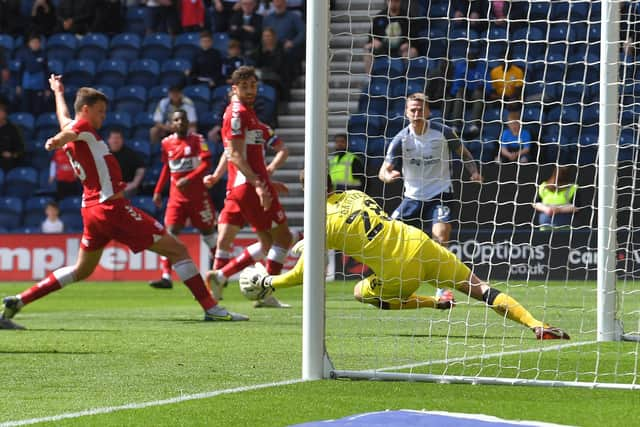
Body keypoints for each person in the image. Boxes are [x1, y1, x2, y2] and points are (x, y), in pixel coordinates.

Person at [0, 75, 247, 330]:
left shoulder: (76, 127)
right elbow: (67, 132)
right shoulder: (83, 129)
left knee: (81, 270)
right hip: (112, 208)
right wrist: (55, 141)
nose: (103, 117)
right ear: (86, 110)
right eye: (100, 111)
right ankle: (212, 308)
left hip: (91, 210)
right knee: (178, 250)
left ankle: (18, 301)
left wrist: (58, 91)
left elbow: (64, 118)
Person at [239, 174, 570, 340]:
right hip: (419, 241)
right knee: (481, 289)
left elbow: (303, 276)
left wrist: (271, 282)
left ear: (308, 192)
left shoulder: (320, 223)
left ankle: (432, 303)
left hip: (399, 270)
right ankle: (536, 324)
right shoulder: (356, 193)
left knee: (360, 292)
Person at [204, 66, 292, 308]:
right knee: (283, 238)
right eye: (244, 87)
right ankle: (259, 290)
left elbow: (242, 153)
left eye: (253, 86)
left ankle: (223, 277)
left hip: (248, 185)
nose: (250, 90)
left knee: (268, 242)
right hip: (249, 186)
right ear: (234, 89)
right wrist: (260, 185)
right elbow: (234, 154)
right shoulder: (237, 114)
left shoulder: (249, 114)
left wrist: (267, 180)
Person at [378, 93, 482, 247]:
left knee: (440, 237)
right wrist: (388, 176)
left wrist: (474, 172)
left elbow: (465, 155)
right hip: (412, 198)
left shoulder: (444, 132)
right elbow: (383, 171)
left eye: (420, 110)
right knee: (390, 236)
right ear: (406, 113)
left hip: (440, 194)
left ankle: (440, 270)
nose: (417, 114)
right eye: (413, 110)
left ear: (428, 112)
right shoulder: (401, 139)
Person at [149, 110, 218, 290]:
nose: (180, 122)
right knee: (169, 234)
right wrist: (157, 191)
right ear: (171, 124)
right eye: (176, 120)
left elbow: (206, 163)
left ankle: (219, 272)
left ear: (188, 122)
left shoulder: (198, 140)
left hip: (197, 197)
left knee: (209, 234)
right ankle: (166, 277)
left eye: (183, 119)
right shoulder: (166, 143)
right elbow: (167, 168)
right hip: (176, 199)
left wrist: (190, 178)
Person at [444, 51, 486, 138]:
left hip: (475, 93)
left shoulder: (482, 67)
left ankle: (474, 125)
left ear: (477, 59)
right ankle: (455, 125)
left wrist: (479, 86)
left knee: (479, 93)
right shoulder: (460, 66)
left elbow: (485, 84)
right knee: (460, 93)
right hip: (463, 93)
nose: (471, 60)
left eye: (473, 58)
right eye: (469, 58)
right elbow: (456, 85)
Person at [533, 165, 578, 230]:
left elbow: (576, 207)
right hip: (546, 226)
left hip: (564, 226)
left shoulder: (572, 188)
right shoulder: (543, 186)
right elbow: (536, 203)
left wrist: (559, 210)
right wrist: (546, 209)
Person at [15, 33, 50, 117]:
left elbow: (46, 72)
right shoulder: (24, 54)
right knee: (25, 108)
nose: (35, 44)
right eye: (33, 42)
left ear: (40, 44)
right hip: (27, 86)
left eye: (37, 42)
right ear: (29, 43)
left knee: (37, 110)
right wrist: (19, 85)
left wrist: (47, 88)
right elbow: (21, 70)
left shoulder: (44, 55)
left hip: (39, 87)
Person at [107, 129, 145, 197]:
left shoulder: (130, 154)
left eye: (118, 138)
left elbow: (141, 168)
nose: (115, 141)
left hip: (126, 187)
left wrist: (134, 183)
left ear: (122, 140)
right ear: (109, 140)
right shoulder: (103, 154)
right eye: (113, 138)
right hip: (108, 188)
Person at [0, 101, 25, 173]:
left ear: (5, 114)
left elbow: (21, 149)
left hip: (9, 162)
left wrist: (12, 155)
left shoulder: (13, 129)